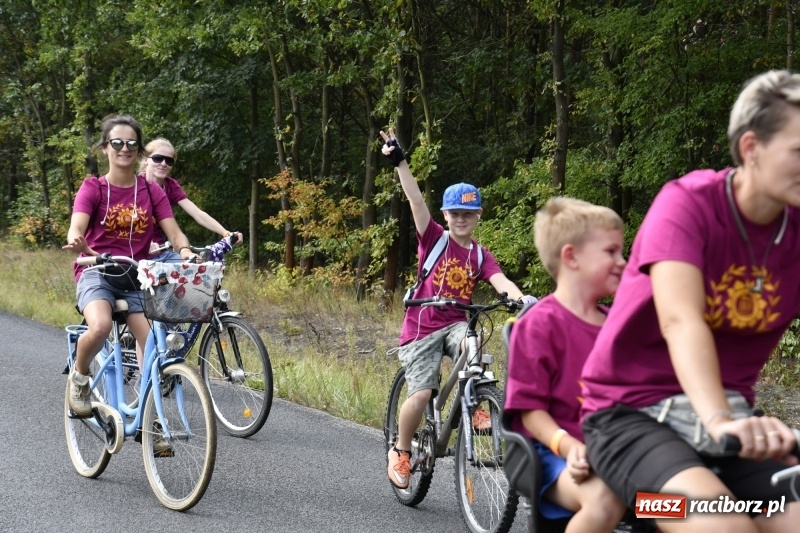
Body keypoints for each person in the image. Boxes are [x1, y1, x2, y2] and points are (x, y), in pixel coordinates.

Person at [580, 70, 800, 533]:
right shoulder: (687, 204)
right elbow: (680, 320)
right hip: (629, 415)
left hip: (732, 422)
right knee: (722, 523)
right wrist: (718, 419)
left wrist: (727, 420)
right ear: (751, 149)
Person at [380, 128, 534, 489]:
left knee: (475, 342)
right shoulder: (433, 238)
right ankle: (401, 451)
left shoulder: (480, 254)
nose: (461, 219)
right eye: (455, 213)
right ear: (446, 216)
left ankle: (478, 404)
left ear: (478, 216)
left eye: (468, 213)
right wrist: (400, 162)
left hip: (454, 323)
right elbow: (417, 202)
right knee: (420, 394)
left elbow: (501, 281)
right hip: (421, 326)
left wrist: (519, 297)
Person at [504, 197, 628, 532]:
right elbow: (529, 411)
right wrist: (570, 447)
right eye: (611, 252)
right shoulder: (539, 325)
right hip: (553, 454)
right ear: (571, 256)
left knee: (680, 506)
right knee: (606, 499)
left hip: (617, 450)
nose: (623, 261)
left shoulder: (618, 325)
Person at [62, 115, 196, 419]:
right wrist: (79, 244)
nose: (125, 148)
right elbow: (77, 226)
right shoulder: (93, 188)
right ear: (105, 148)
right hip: (97, 272)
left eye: (132, 143)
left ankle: (146, 413)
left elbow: (174, 232)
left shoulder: (151, 192)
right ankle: (80, 378)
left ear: (139, 150)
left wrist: (185, 251)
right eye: (117, 142)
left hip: (135, 275)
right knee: (100, 327)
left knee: (155, 348)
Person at [140, 137, 242, 261]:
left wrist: (226, 234)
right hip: (137, 249)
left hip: (162, 250)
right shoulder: (133, 185)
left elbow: (197, 213)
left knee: (195, 270)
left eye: (169, 160)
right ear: (145, 160)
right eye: (157, 158)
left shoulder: (170, 186)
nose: (163, 164)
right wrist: (145, 243)